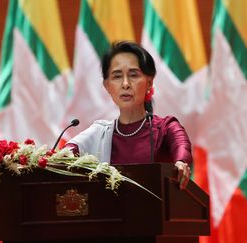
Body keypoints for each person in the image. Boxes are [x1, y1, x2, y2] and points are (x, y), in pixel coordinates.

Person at [65, 41, 192, 189]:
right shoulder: (99, 132)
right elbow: (65, 155)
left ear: (149, 83)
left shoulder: (165, 127)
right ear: (107, 86)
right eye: (117, 76)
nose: (125, 84)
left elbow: (181, 145)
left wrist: (181, 162)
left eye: (133, 75)